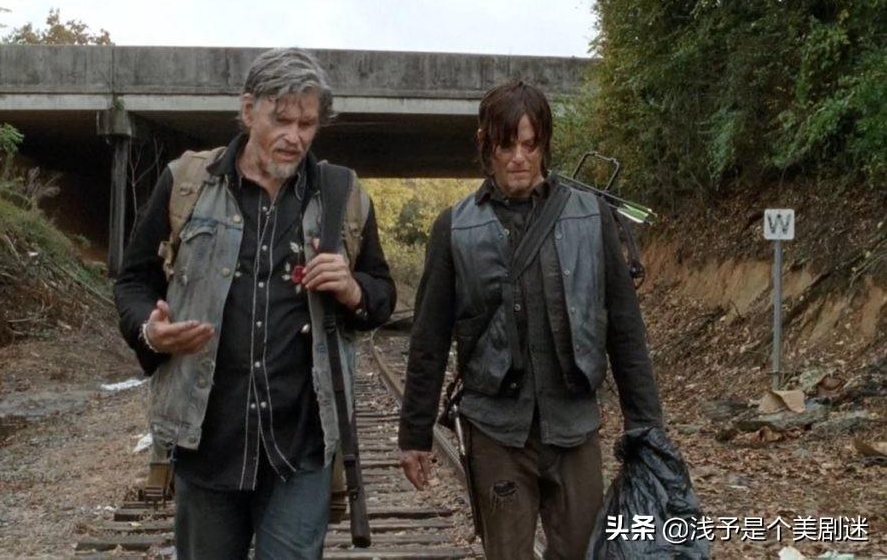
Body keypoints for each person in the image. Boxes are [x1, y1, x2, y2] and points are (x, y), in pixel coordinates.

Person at [114, 47, 395, 560]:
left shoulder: (342, 194)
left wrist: (354, 290)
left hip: (301, 443)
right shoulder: (188, 183)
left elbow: (381, 294)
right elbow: (133, 281)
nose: (295, 136)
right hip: (208, 439)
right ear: (248, 110)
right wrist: (149, 332)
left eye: (307, 124)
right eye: (281, 120)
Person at [396, 80, 664, 559]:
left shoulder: (591, 218)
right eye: (507, 145)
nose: (519, 158)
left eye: (530, 144)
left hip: (574, 425)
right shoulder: (454, 228)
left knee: (584, 551)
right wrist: (415, 436)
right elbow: (429, 339)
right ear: (486, 145)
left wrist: (646, 426)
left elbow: (625, 329)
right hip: (496, 429)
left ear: (544, 144)